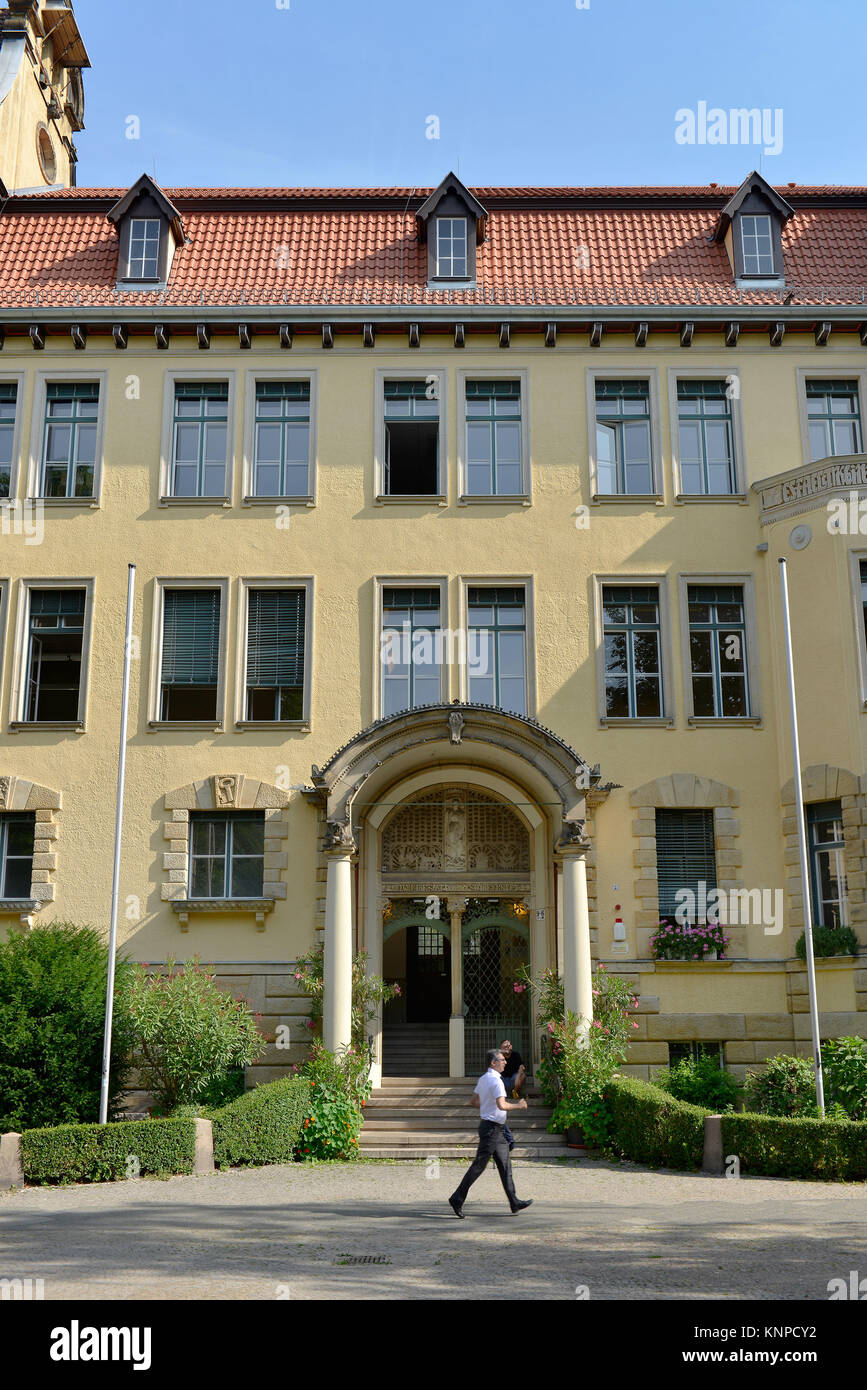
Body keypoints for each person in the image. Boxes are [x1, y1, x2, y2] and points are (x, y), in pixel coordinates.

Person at [448, 1049, 533, 1218]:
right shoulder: (496, 1081)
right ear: (493, 1063)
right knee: (479, 1166)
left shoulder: (484, 1078)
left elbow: (474, 1101)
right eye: (502, 1060)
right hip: (492, 1130)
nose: (505, 1062)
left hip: (495, 1128)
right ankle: (457, 1198)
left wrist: (487, 1107)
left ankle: (514, 1201)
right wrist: (519, 1105)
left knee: (505, 1165)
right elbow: (502, 1105)